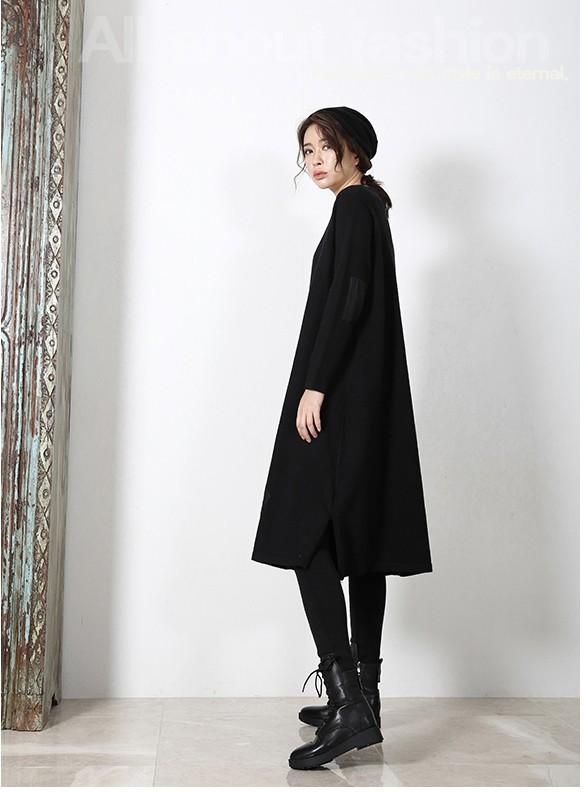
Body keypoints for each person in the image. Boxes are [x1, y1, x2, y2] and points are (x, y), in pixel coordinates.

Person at [251, 106, 433, 771]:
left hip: (341, 398)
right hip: (365, 400)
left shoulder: (355, 208)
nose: (315, 159)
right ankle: (364, 697)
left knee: (306, 534)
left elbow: (350, 299)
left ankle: (348, 699)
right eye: (306, 150)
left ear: (355, 149)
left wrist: (317, 385)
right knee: (363, 540)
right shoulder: (367, 209)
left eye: (325, 146)